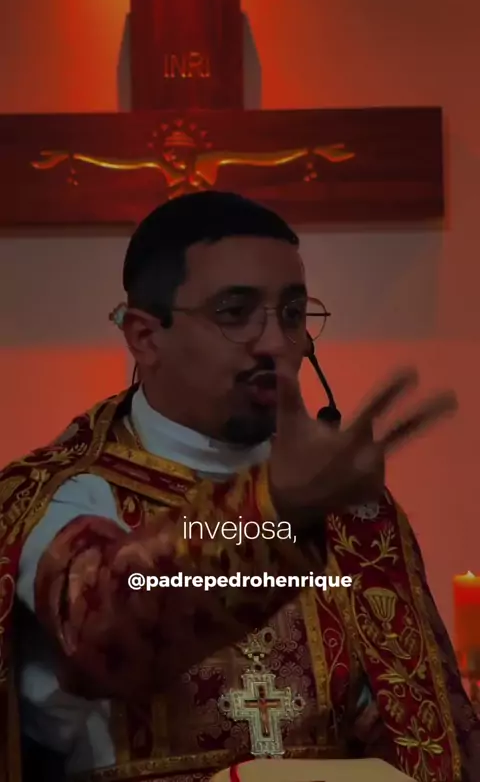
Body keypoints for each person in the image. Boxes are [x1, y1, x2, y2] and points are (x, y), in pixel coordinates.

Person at [0, 190, 478, 782]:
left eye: (293, 313)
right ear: (145, 336)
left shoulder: (348, 507)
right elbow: (108, 630)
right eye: (234, 312)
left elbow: (417, 737)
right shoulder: (55, 496)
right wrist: (276, 508)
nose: (277, 342)